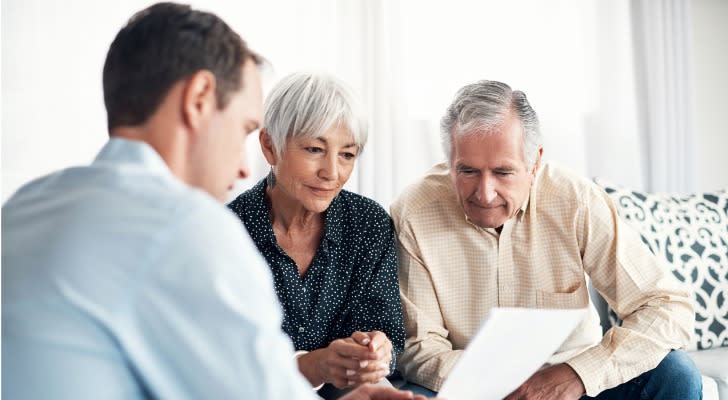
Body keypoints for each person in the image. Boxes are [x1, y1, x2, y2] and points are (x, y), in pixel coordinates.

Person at [1, 3, 423, 400]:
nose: (243, 169)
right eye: (243, 129)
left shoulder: (25, 207)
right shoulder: (185, 227)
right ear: (199, 98)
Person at [390, 79, 702, 399]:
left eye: (503, 172)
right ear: (449, 160)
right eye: (467, 171)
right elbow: (421, 350)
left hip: (574, 380)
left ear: (535, 162)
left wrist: (577, 375)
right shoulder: (414, 212)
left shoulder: (575, 200)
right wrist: (508, 388)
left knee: (676, 375)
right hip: (473, 386)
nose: (484, 193)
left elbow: (667, 307)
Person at [227, 71, 406, 398]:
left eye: (347, 154)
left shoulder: (368, 223)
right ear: (270, 146)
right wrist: (312, 365)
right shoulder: (227, 231)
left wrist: (376, 352)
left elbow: (389, 334)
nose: (332, 172)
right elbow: (225, 361)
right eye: (313, 149)